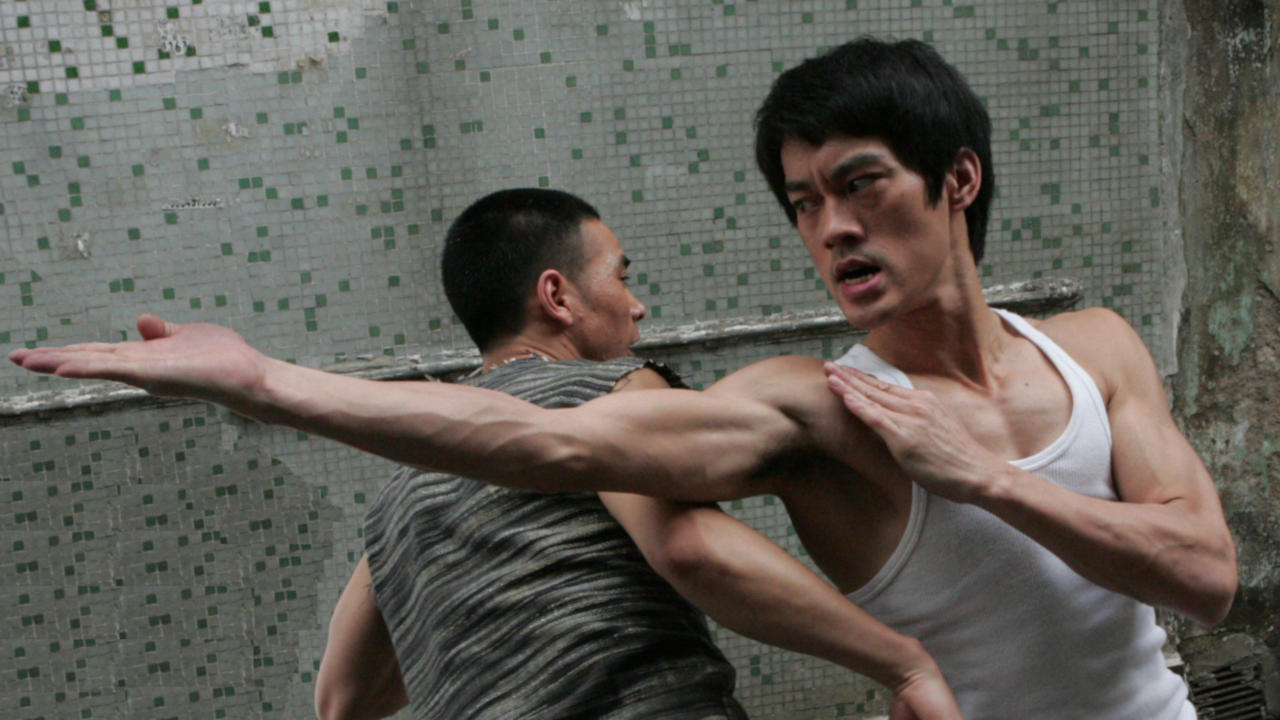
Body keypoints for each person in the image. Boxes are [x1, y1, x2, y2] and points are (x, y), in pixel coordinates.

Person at [9, 38, 1236, 719]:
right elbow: (556, 445)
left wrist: (987, 479)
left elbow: (1205, 576)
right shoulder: (815, 408)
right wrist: (268, 382)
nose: (830, 229)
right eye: (801, 204)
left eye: (858, 185)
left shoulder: (1096, 346)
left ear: (954, 180)